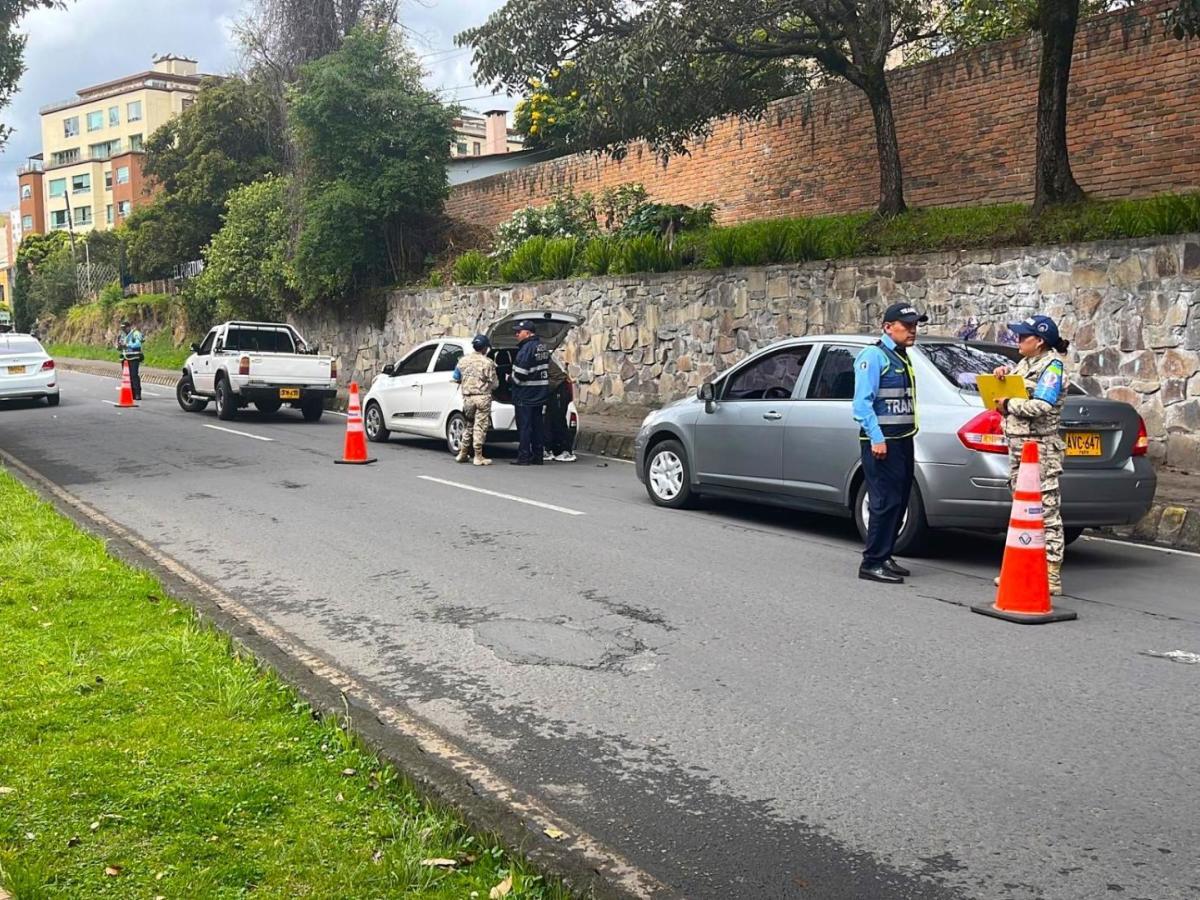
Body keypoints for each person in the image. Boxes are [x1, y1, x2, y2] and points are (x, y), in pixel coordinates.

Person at [992, 315, 1071, 595]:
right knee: (1023, 511)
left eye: (1022, 337)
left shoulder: (1052, 366)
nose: (1017, 341)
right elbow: (1017, 386)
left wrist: (1009, 403)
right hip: (1019, 448)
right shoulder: (1026, 363)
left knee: (1046, 511)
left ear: (1039, 341)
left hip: (1040, 449)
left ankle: (1050, 574)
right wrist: (1003, 377)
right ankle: (1022, 566)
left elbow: (1042, 404)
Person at [852, 303, 928, 584]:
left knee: (898, 500)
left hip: (902, 440)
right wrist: (876, 437)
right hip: (882, 443)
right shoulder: (873, 356)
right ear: (887, 327)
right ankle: (872, 562)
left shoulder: (901, 356)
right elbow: (862, 404)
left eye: (915, 326)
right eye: (906, 326)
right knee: (883, 502)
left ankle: (884, 555)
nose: (912, 331)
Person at [452, 334, 499, 466]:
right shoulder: (488, 363)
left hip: (468, 398)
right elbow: (495, 384)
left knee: (469, 424)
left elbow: (456, 378)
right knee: (480, 426)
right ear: (485, 348)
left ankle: (463, 452)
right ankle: (478, 456)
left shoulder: (462, 361)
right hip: (482, 398)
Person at [509, 320, 549, 466]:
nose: (516, 335)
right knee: (538, 426)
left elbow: (521, 373)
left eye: (519, 332)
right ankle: (538, 457)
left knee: (525, 427)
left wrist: (509, 378)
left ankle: (524, 457)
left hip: (525, 394)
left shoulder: (526, 349)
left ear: (528, 333)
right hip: (540, 393)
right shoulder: (542, 347)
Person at [543, 356, 576, 462]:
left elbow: (556, 380)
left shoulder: (544, 362)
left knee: (558, 421)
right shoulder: (545, 360)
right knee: (549, 421)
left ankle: (566, 451)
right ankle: (551, 449)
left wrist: (543, 390)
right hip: (555, 393)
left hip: (559, 392)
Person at [117, 319, 144, 401]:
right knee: (127, 377)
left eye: (125, 328)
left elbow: (138, 343)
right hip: (124, 358)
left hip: (134, 357)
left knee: (134, 375)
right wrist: (119, 346)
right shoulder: (122, 335)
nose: (124, 330)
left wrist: (128, 345)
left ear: (129, 327)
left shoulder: (135, 333)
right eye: (122, 328)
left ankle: (137, 393)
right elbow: (119, 346)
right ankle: (131, 393)